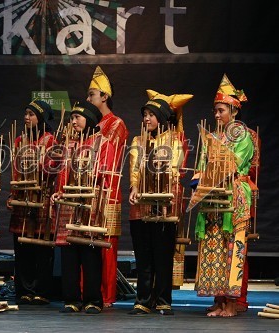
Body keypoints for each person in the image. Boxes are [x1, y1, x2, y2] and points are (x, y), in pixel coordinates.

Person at [192, 74, 254, 317]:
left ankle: (231, 303)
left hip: (234, 195)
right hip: (212, 196)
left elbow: (234, 164)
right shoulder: (211, 138)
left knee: (232, 246)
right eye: (215, 111)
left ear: (233, 110)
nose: (216, 115)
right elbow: (200, 166)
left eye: (220, 111)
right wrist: (199, 180)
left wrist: (213, 170)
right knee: (214, 247)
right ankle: (219, 301)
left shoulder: (243, 135)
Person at [127, 91, 192, 315]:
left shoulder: (174, 141)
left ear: (162, 117)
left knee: (163, 253)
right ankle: (143, 299)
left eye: (151, 115)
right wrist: (135, 188)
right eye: (144, 114)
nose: (146, 119)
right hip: (142, 204)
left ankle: (163, 299)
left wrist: (162, 190)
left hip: (166, 202)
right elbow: (134, 170)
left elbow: (174, 170)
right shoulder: (137, 140)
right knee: (143, 254)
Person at [52, 100, 118, 314]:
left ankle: (92, 299)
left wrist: (88, 186)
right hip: (70, 204)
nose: (73, 122)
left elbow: (105, 173)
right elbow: (62, 173)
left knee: (90, 253)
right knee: (69, 254)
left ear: (89, 120)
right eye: (71, 118)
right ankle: (71, 298)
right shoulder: (70, 145)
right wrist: (59, 192)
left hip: (90, 203)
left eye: (77, 118)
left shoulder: (103, 143)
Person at [86, 66, 128, 307]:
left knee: (107, 248)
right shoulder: (87, 122)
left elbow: (108, 159)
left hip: (108, 192)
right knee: (85, 244)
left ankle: (106, 295)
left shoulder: (116, 125)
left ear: (104, 96)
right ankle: (87, 292)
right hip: (87, 192)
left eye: (92, 94)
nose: (88, 99)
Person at [7, 100, 56, 305]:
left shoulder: (50, 140)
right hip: (22, 198)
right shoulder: (19, 141)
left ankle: (41, 289)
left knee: (42, 247)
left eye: (31, 114)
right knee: (22, 246)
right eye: (25, 113)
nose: (27, 117)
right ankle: (24, 289)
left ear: (41, 117)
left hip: (43, 198)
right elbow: (16, 172)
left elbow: (53, 170)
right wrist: (12, 194)